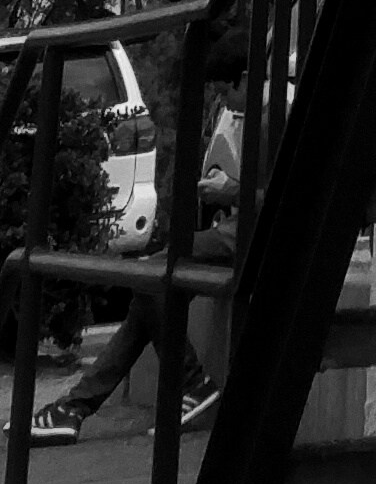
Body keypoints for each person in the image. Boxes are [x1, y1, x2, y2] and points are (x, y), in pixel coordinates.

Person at [33, 90, 239, 438]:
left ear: (245, 79)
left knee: (150, 277)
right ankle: (76, 406)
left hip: (246, 238)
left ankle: (192, 383)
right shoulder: (251, 116)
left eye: (231, 91)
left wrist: (231, 191)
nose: (229, 104)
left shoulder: (276, 112)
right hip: (231, 232)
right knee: (148, 292)